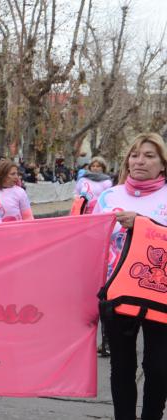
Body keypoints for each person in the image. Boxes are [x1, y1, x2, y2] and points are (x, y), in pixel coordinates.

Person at [93, 133, 167, 420]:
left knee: (158, 365)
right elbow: (91, 242)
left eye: (149, 156)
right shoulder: (109, 195)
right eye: (135, 154)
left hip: (159, 292)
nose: (140, 161)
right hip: (116, 292)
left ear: (162, 163)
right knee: (121, 365)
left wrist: (143, 224)